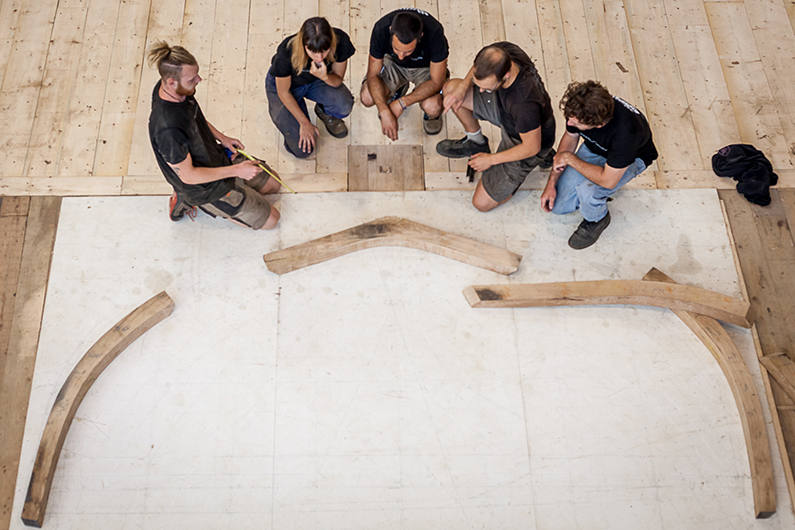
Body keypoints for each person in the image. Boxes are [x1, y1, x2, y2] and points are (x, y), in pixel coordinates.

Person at [147, 42, 280, 230]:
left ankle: (238, 191)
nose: (199, 80)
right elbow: (188, 176)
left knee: (273, 184)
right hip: (203, 187)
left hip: (215, 157)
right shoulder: (167, 130)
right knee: (272, 220)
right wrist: (237, 171)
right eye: (192, 79)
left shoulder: (179, 91)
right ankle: (188, 199)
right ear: (171, 81)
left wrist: (222, 138)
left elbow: (194, 119)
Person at [437, 42, 556, 212]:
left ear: (505, 75)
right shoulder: (504, 53)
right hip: (506, 111)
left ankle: (535, 162)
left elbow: (532, 146)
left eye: (486, 87)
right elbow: (478, 68)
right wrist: (463, 87)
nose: (482, 91)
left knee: (481, 203)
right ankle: (476, 141)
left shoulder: (524, 103)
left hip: (524, 139)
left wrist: (490, 159)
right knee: (452, 90)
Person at [540, 81, 658, 249]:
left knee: (589, 191)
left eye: (576, 123)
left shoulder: (627, 133)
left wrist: (570, 159)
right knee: (559, 206)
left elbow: (607, 180)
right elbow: (570, 138)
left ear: (599, 125)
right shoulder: (580, 109)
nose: (570, 124)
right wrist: (551, 183)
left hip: (630, 159)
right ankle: (593, 195)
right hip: (596, 148)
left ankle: (597, 219)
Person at [267, 17, 355, 158]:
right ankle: (292, 129)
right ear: (303, 44)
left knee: (344, 104)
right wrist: (304, 123)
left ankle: (324, 112)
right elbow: (283, 92)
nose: (319, 58)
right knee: (303, 150)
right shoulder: (286, 53)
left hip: (316, 80)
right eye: (313, 51)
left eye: (325, 50)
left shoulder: (341, 41)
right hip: (287, 87)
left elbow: (337, 80)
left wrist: (325, 77)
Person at [361, 8, 449, 139]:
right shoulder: (381, 28)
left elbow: (437, 81)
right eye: (397, 49)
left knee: (433, 107)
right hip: (393, 64)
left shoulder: (435, 33)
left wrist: (402, 103)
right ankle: (399, 88)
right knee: (367, 97)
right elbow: (373, 74)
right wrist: (383, 110)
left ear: (421, 36)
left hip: (425, 68)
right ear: (390, 30)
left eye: (408, 51)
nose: (401, 56)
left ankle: (430, 115)